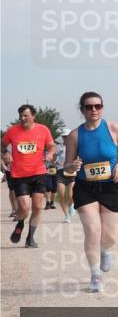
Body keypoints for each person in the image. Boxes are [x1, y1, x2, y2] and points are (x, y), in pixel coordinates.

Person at [64, 92, 118, 293]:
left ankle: (104, 250)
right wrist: (73, 165)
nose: (94, 110)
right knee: (93, 231)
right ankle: (95, 275)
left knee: (110, 236)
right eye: (88, 107)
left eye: (97, 106)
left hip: (111, 186)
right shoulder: (75, 135)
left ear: (102, 107)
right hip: (86, 188)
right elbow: (67, 167)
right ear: (82, 110)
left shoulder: (113, 128)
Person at [2, 104, 56, 248]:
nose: (22, 118)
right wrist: (6, 153)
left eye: (25, 115)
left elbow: (52, 146)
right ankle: (20, 223)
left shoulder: (43, 130)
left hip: (39, 173)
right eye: (20, 115)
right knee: (25, 208)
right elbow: (2, 145)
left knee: (38, 207)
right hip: (19, 175)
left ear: (33, 116)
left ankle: (30, 238)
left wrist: (50, 154)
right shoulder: (12, 131)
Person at [54, 134, 76, 223]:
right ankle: (66, 215)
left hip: (71, 171)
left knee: (71, 195)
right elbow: (53, 159)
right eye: (64, 136)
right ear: (62, 138)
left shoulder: (75, 146)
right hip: (60, 171)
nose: (66, 138)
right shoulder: (58, 147)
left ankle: (72, 206)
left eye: (67, 136)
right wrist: (55, 157)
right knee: (62, 195)